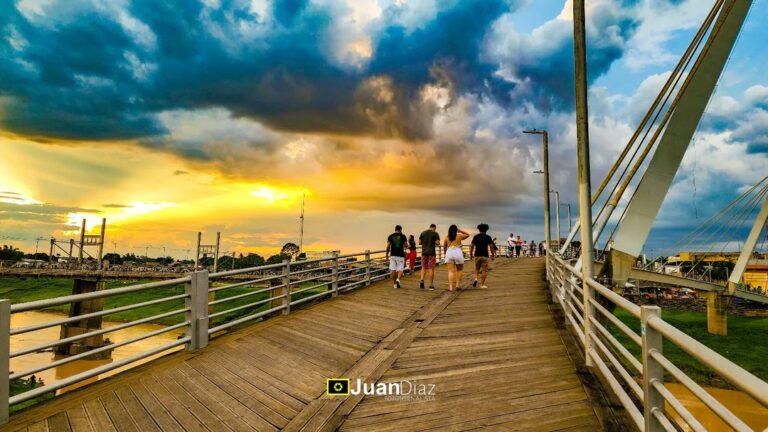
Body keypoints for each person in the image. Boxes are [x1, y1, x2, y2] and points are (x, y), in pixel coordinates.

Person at [443, 225, 470, 291]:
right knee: (459, 270)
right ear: (456, 230)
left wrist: (445, 253)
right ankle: (458, 285)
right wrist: (460, 230)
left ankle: (451, 287)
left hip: (449, 252)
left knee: (450, 271)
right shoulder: (459, 236)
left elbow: (444, 246)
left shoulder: (447, 237)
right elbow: (468, 234)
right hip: (457, 251)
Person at [470, 223, 495, 289]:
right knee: (484, 270)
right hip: (485, 255)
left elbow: (472, 246)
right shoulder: (488, 237)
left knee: (476, 269)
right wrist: (492, 255)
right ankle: (481, 285)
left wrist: (471, 254)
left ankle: (476, 278)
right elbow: (491, 246)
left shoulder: (476, 236)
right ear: (486, 230)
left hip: (477, 255)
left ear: (479, 229)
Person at [418, 224, 440, 290]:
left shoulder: (423, 232)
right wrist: (435, 243)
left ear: (430, 227)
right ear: (434, 228)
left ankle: (422, 280)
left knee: (423, 267)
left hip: (424, 252)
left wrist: (425, 243)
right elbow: (437, 243)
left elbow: (419, 242)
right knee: (431, 268)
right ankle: (431, 285)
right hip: (431, 253)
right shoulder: (435, 233)